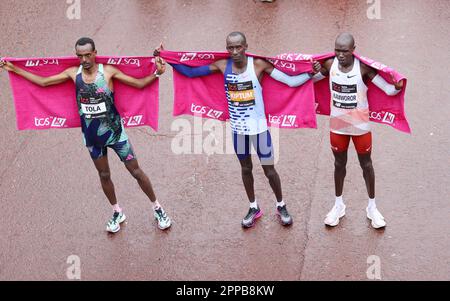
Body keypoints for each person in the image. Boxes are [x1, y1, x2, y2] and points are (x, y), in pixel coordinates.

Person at [0, 37, 172, 233]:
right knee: (104, 174)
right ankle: (117, 212)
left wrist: (157, 72)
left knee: (136, 172)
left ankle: (157, 208)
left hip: (116, 134)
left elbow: (139, 84)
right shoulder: (74, 73)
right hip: (92, 137)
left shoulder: (107, 72)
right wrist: (14, 69)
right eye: (80, 56)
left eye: (87, 55)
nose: (84, 59)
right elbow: (44, 82)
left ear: (95, 53)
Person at [155, 32, 320, 228]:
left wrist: (311, 73)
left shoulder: (258, 65)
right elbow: (191, 73)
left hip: (259, 130)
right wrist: (166, 57)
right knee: (246, 168)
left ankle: (281, 205)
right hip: (238, 130)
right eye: (230, 48)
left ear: (246, 46)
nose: (234, 51)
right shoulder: (222, 66)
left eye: (238, 47)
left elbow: (290, 81)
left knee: (269, 170)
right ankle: (253, 207)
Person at [313, 33, 404, 228]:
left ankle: (372, 207)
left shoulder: (362, 68)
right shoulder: (330, 65)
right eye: (337, 50)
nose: (340, 55)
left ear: (354, 49)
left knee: (367, 166)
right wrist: (313, 72)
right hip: (338, 125)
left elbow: (388, 90)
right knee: (339, 165)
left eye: (345, 51)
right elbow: (312, 80)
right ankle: (338, 205)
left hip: (360, 126)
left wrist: (397, 87)